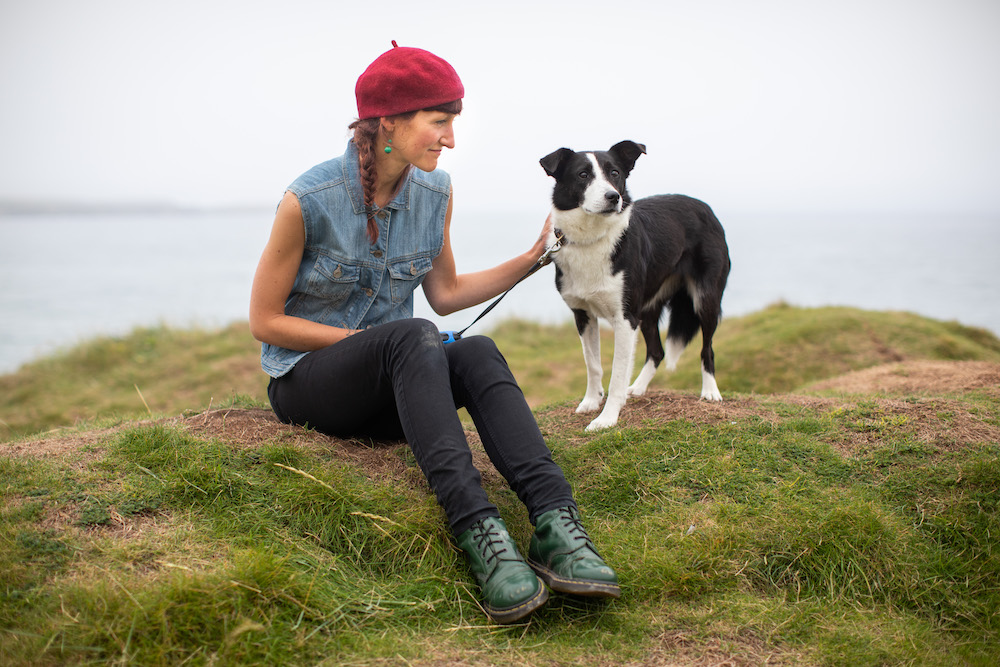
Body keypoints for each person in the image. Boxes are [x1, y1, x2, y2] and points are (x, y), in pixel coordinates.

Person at [249, 41, 619, 624]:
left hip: (400, 380)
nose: (450, 139)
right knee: (412, 335)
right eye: (439, 122)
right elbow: (264, 322)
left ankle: (556, 523)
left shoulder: (435, 192)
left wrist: (533, 255)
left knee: (475, 350)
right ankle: (480, 533)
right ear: (387, 123)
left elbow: (444, 294)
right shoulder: (308, 199)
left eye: (452, 123)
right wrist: (371, 348)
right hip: (308, 386)